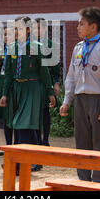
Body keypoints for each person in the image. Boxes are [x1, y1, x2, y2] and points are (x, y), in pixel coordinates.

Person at [60, 7, 100, 184]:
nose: (77, 27)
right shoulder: (78, 47)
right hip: (80, 100)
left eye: (81, 24)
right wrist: (67, 100)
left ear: (93, 27)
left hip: (98, 100)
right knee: (82, 142)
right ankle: (83, 181)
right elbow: (71, 76)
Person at [0, 16, 55, 173]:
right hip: (16, 88)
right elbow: (8, 74)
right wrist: (4, 94)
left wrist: (50, 92)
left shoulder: (36, 47)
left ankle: (18, 162)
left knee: (22, 123)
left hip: (32, 87)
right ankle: (35, 160)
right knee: (25, 126)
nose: (16, 31)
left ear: (29, 30)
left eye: (20, 28)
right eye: (15, 28)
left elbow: (44, 72)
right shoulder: (11, 48)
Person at [32, 18, 61, 148]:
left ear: (44, 29)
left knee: (45, 112)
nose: (36, 30)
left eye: (39, 28)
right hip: (33, 83)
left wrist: (56, 83)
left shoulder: (51, 45)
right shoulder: (30, 44)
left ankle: (46, 139)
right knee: (35, 112)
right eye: (34, 28)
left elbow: (55, 67)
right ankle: (36, 139)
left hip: (46, 82)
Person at [0, 26, 18, 153]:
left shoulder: (18, 51)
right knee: (5, 118)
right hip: (1, 84)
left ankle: (17, 146)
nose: (6, 38)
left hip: (13, 86)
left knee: (14, 117)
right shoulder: (1, 51)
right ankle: (8, 146)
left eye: (9, 35)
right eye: (4, 35)